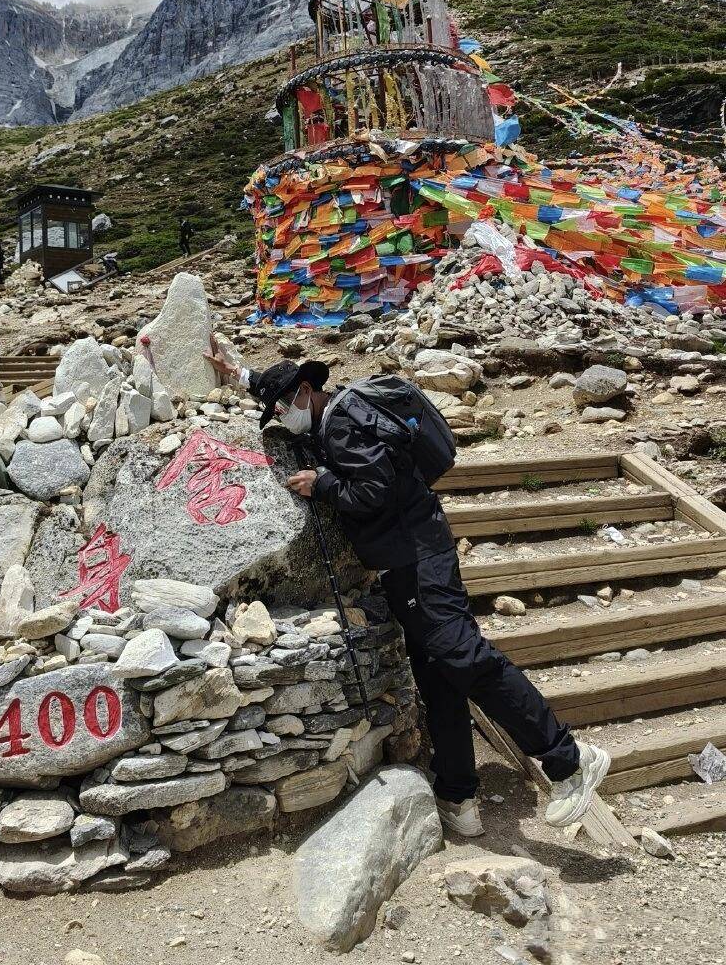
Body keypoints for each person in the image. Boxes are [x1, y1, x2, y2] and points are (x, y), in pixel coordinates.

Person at [205, 348, 611, 837]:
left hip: (418, 558)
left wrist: (324, 483)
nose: (279, 417)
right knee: (437, 675)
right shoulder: (337, 410)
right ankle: (457, 795)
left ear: (306, 393)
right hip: (409, 557)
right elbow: (294, 403)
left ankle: (567, 760)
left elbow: (373, 492)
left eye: (281, 406)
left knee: (462, 655)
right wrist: (240, 374)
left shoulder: (338, 427)